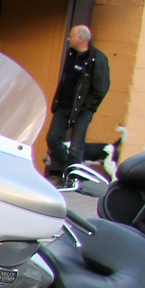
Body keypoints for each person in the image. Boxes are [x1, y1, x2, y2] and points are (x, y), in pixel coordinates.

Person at [46, 25, 110, 179]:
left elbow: (101, 87)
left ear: (80, 39)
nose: (68, 39)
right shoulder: (71, 54)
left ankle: (71, 178)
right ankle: (69, 170)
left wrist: (88, 106)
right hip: (63, 106)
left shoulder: (96, 58)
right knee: (52, 138)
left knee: (76, 146)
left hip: (83, 109)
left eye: (71, 36)